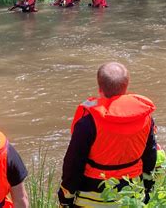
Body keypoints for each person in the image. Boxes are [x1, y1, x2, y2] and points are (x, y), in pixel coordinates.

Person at [58, 62, 157, 206]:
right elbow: (150, 156)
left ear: (99, 88)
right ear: (126, 86)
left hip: (92, 196)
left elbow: (73, 164)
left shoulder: (87, 123)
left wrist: (65, 197)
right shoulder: (146, 119)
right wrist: (148, 187)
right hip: (131, 194)